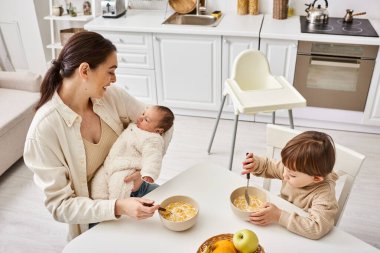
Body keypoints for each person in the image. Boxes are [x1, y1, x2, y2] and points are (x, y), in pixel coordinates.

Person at [23, 31, 172, 241]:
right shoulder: (44, 131)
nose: (114, 79)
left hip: (136, 189)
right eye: (110, 71)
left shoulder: (112, 98)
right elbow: (60, 206)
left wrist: (145, 168)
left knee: (184, 217)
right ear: (84, 70)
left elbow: (164, 124)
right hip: (97, 214)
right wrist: (118, 206)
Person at [241, 130, 338, 240]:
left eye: (292, 175)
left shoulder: (325, 194)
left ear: (316, 178)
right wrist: (256, 164)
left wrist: (278, 216)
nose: (284, 175)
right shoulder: (290, 169)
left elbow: (316, 228)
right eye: (285, 167)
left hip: (300, 236)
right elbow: (268, 165)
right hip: (280, 227)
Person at [90, 105, 174, 200]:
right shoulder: (135, 126)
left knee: (118, 186)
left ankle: (117, 206)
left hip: (127, 168)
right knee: (98, 183)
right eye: (143, 114)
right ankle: (100, 203)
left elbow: (153, 157)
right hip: (110, 163)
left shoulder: (152, 139)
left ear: (158, 130)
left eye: (146, 120)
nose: (141, 118)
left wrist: (149, 173)